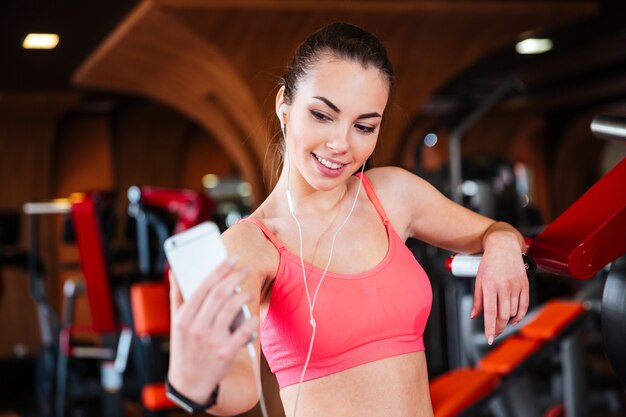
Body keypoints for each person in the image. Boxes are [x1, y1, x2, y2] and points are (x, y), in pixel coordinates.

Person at [166, 22, 529, 417]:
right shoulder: (252, 244)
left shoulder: (391, 195)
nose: (341, 144)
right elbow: (242, 383)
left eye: (363, 126)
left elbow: (494, 229)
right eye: (322, 115)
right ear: (283, 106)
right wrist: (196, 384)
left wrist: (504, 244)